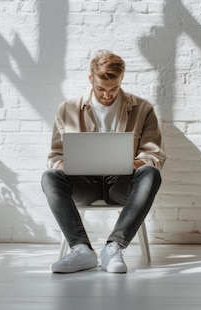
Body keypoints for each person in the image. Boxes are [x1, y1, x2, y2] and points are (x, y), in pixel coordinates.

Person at [41, 50, 166, 274]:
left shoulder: (142, 109)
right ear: (91, 79)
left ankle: (114, 246)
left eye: (114, 89)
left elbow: (153, 155)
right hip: (83, 184)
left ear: (121, 80)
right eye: (101, 89)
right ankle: (81, 250)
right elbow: (55, 156)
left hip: (121, 182)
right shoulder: (68, 109)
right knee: (49, 176)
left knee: (151, 174)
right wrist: (66, 167)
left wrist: (129, 164)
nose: (107, 95)